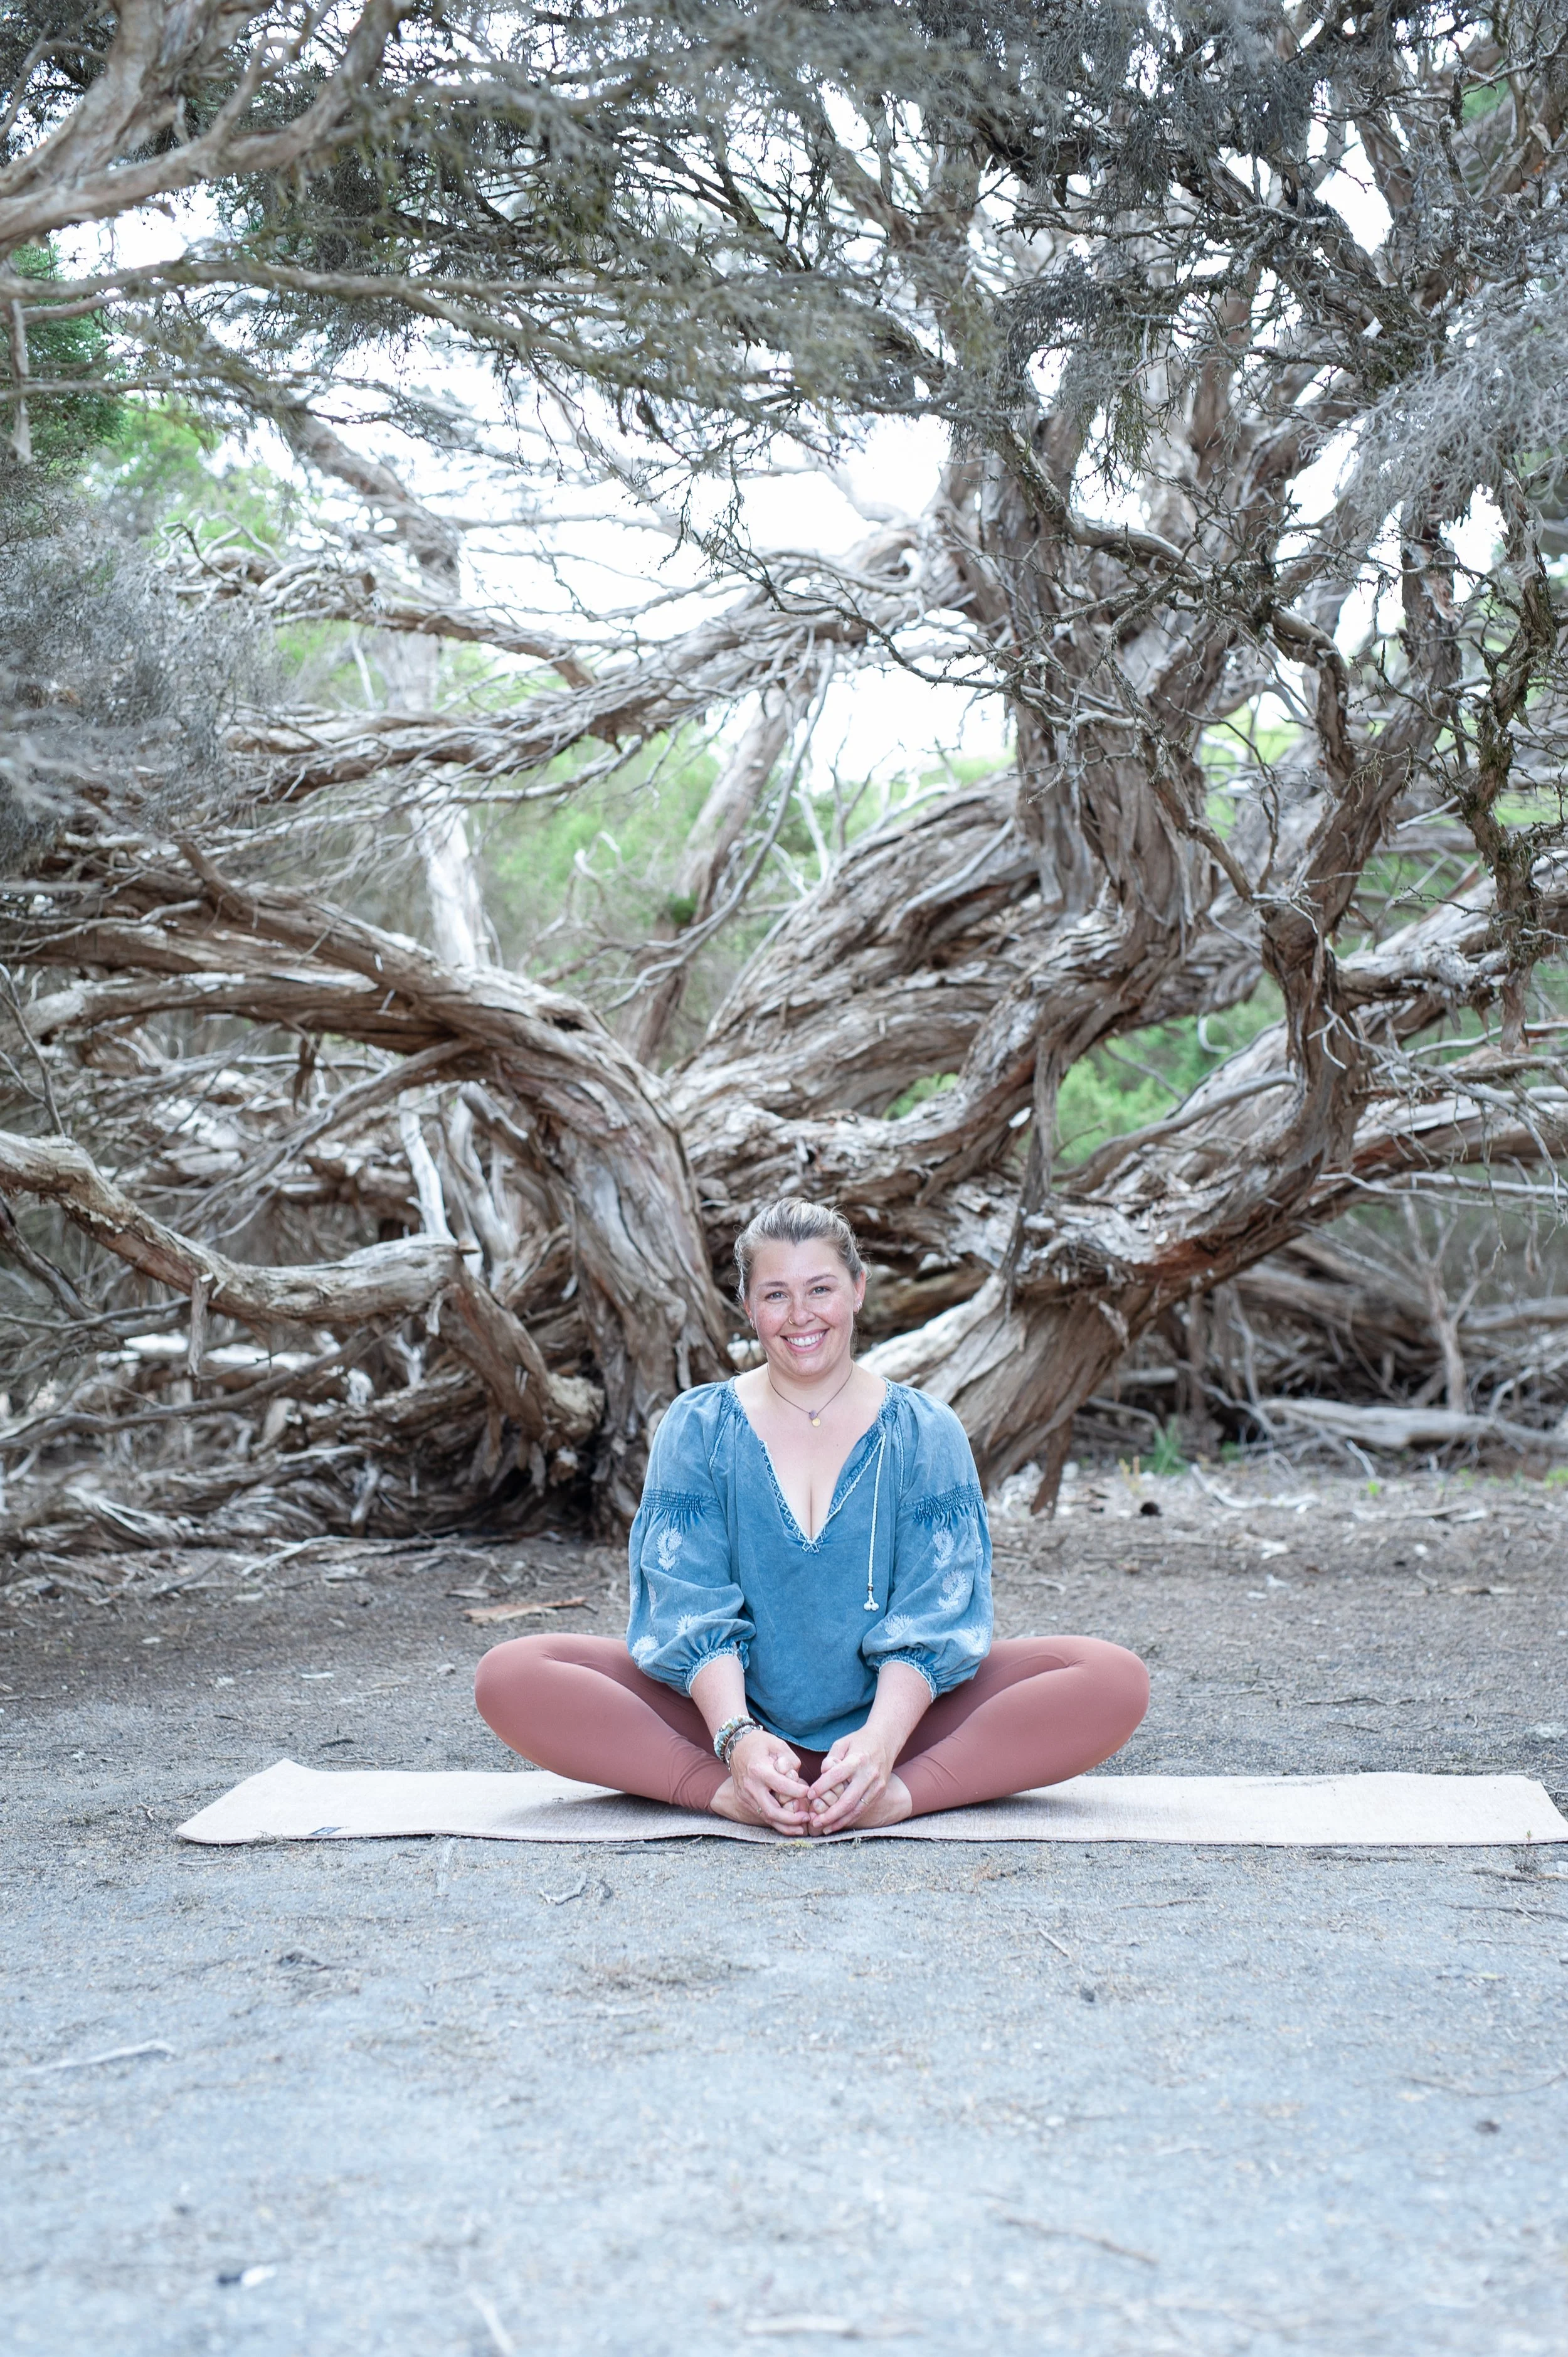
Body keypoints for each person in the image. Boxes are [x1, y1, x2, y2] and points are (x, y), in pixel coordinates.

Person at [474, 1198, 1148, 1834]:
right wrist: (736, 1742)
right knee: (512, 1673)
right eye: (776, 1294)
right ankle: (725, 1795)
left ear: (857, 1288)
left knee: (1110, 1678)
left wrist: (881, 1746)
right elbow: (689, 1604)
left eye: (820, 1288)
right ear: (747, 1305)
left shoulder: (925, 1430)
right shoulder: (699, 1424)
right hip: (722, 1722)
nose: (800, 1315)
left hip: (900, 1725)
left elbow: (933, 1617)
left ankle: (893, 1798)